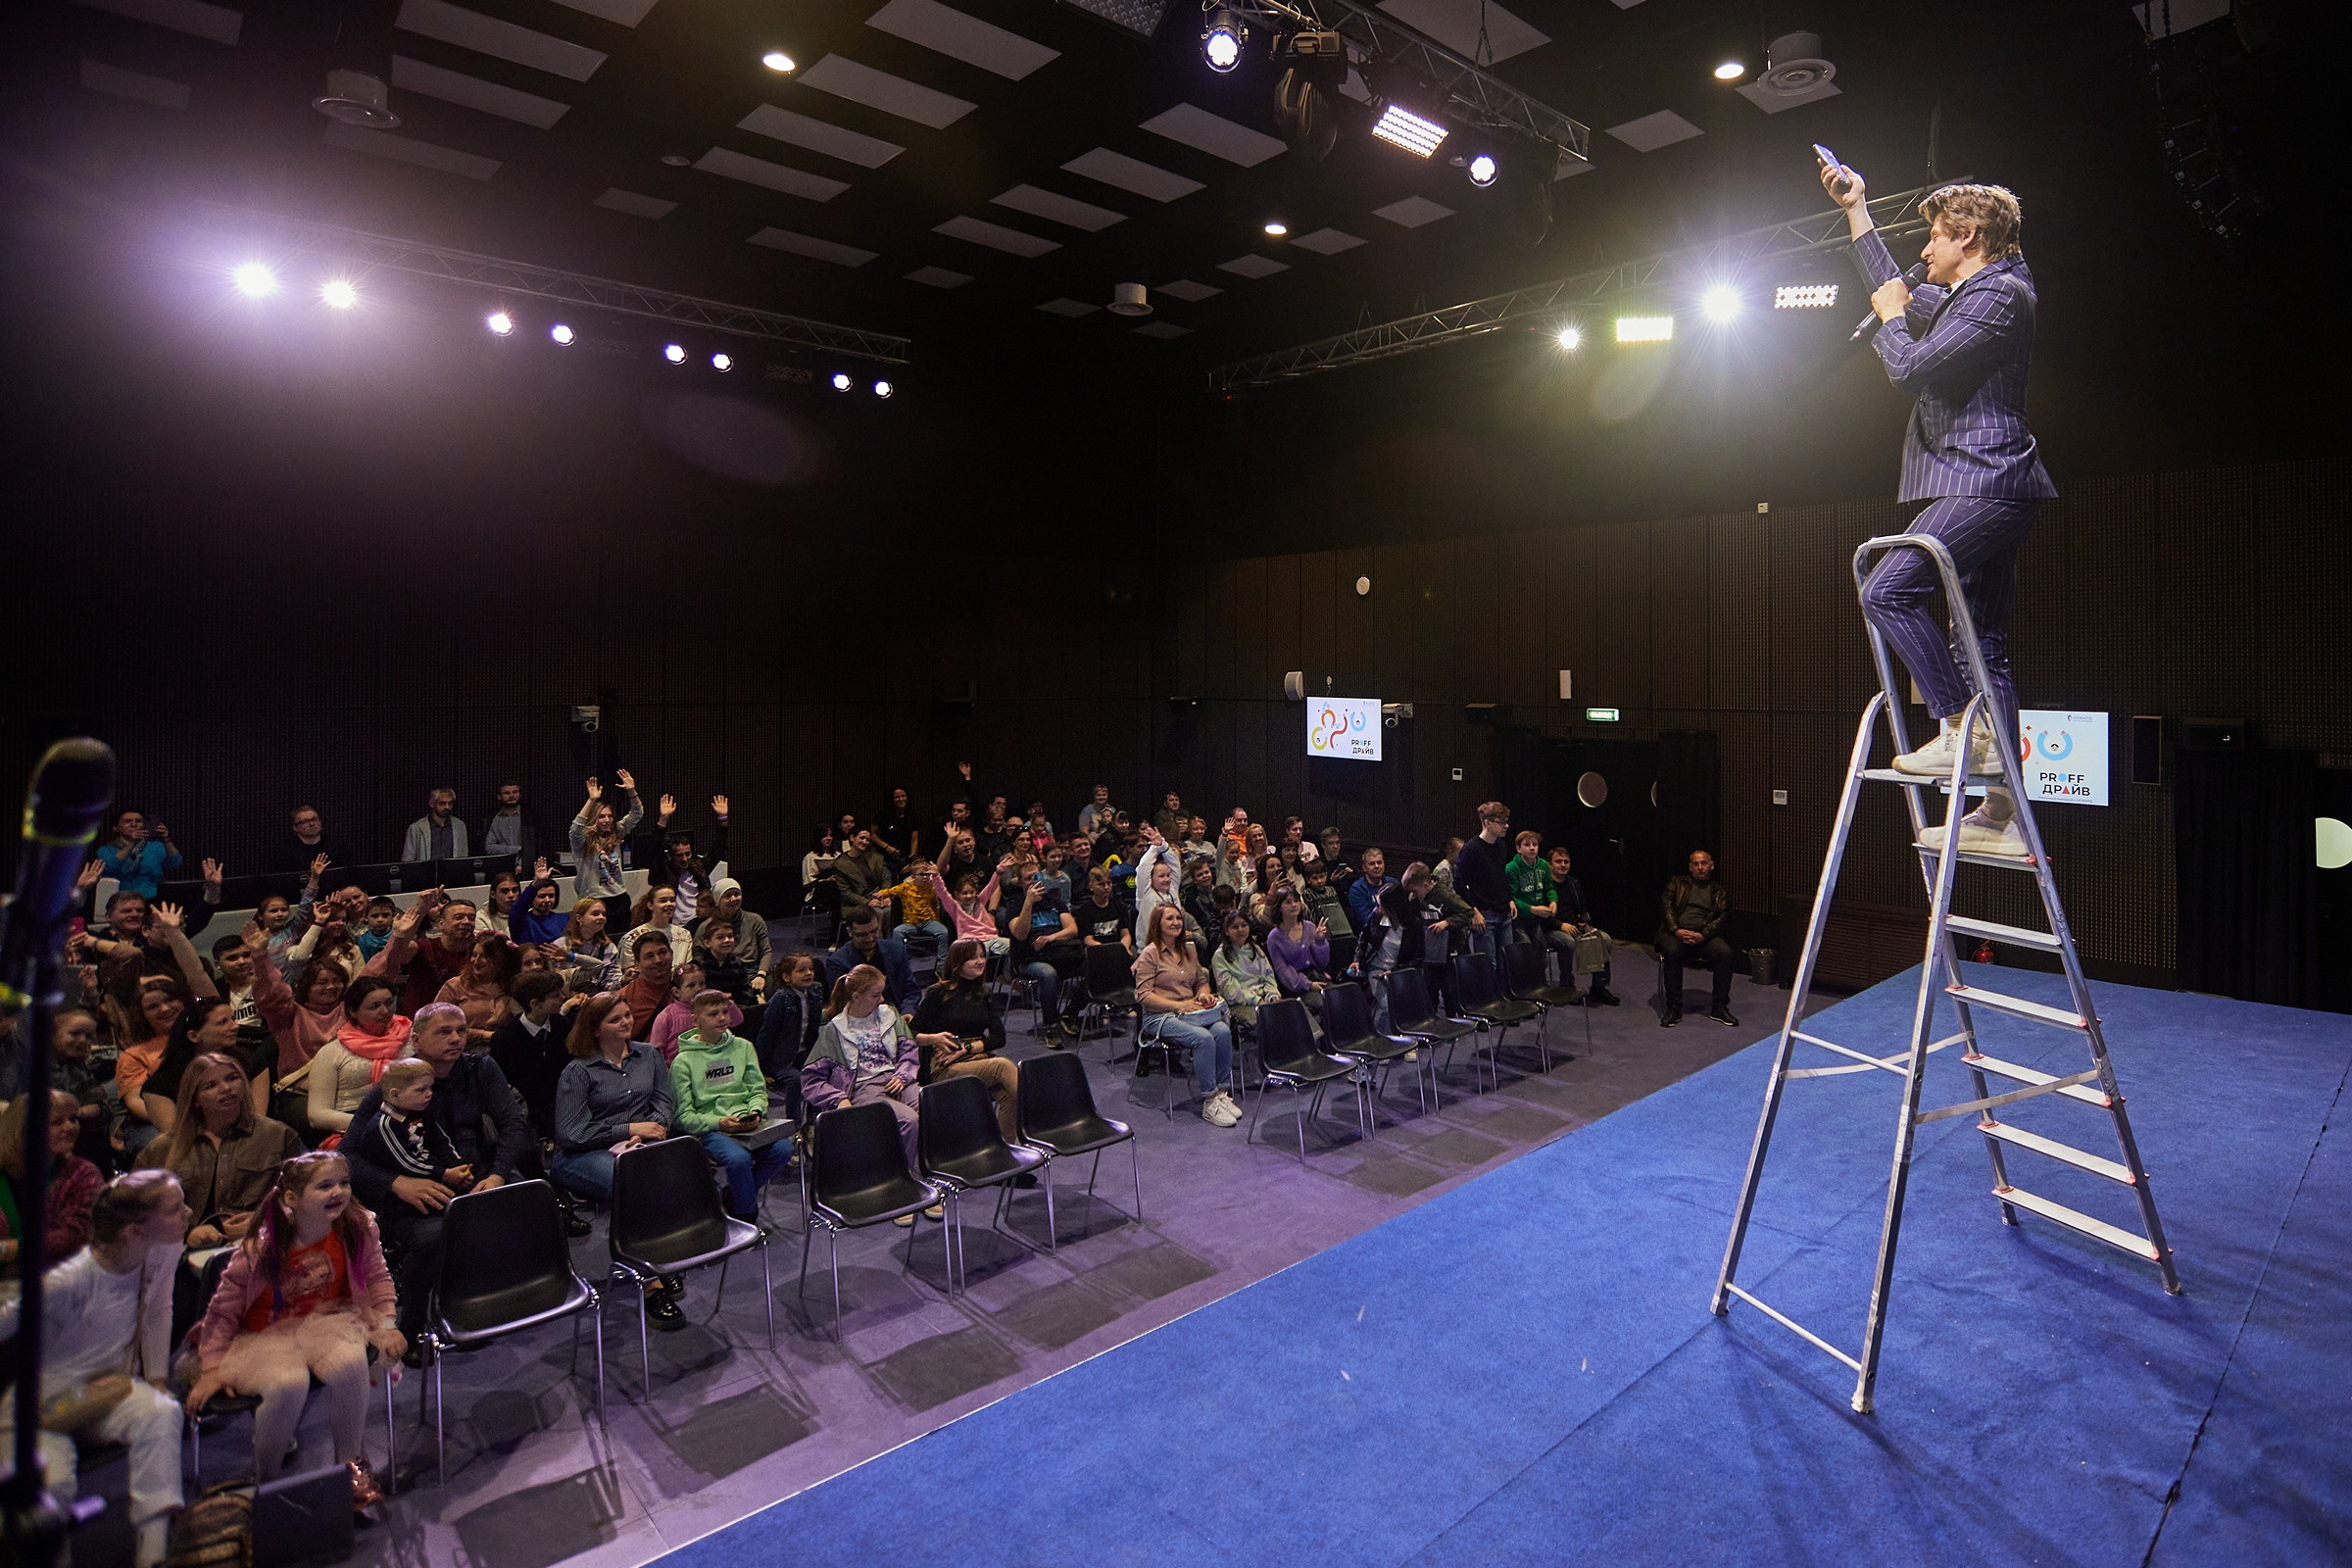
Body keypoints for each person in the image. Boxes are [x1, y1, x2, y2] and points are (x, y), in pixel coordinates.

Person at [1827, 162, 2055, 860]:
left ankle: (1958, 727)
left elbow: (1908, 366)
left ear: (1970, 234)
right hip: (1984, 483)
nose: (1924, 250)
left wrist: (1894, 318)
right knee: (1984, 647)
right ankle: (2002, 813)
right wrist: (1856, 208)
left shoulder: (2000, 297)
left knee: (1887, 587)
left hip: (1984, 482)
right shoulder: (1971, 296)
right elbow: (1894, 285)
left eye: (1933, 236)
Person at [187, 1152, 402, 1505]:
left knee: (351, 1364)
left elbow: (378, 1277)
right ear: (292, 1199)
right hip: (262, 1338)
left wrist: (388, 1323)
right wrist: (211, 1368)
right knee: (290, 1383)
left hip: (328, 1323)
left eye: (343, 1183)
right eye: (324, 1186)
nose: (338, 1192)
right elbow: (221, 1311)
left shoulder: (356, 1226)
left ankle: (350, 1464)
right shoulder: (263, 1246)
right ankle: (268, 1480)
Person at [0, 1170, 189, 1568]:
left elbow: (157, 1310)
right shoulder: (65, 1284)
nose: (188, 1213)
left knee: (162, 1413)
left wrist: (156, 1379)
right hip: (37, 1412)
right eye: (175, 1210)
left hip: (108, 1391)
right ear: (134, 1231)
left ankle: (153, 1555)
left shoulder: (163, 1249)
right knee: (53, 1485)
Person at [343, 1004, 533, 1344]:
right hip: (415, 1185)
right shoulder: (397, 1082)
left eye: (460, 1030)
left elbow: (513, 1124)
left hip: (474, 1172)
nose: (456, 1039)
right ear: (416, 1039)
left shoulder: (480, 1068)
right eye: (443, 1032)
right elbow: (347, 1155)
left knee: (522, 1196)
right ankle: (413, 1328)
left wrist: (500, 1173)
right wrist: (398, 1183)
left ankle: (494, 1295)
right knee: (435, 1235)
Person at [550, 995, 689, 1328]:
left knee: (676, 1175)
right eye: (615, 1020)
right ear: (596, 1030)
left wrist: (649, 1132)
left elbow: (663, 1104)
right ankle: (650, 1282)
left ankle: (654, 1258)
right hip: (581, 1155)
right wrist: (627, 1129)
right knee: (636, 1188)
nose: (626, 1023)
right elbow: (571, 1133)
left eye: (627, 1015)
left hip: (640, 1145)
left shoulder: (649, 1055)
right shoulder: (578, 1070)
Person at [802, 964, 931, 1218]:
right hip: (863, 1087)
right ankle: (898, 1186)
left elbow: (909, 1050)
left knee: (927, 1106)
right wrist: (838, 1099)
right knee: (907, 1120)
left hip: (897, 1079)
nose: (882, 999)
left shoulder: (889, 1015)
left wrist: (903, 1075)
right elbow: (810, 1078)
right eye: (875, 994)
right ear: (856, 996)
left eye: (882, 993)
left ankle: (918, 1177)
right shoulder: (835, 1031)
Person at [670, 991, 791, 1222]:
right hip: (712, 1129)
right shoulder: (683, 1062)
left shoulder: (743, 1047)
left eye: (725, 1012)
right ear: (695, 1021)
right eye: (713, 1014)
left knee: (783, 1150)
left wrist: (756, 1111)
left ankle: (735, 1195)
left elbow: (757, 1089)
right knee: (738, 1160)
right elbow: (683, 1116)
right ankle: (746, 1216)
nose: (722, 1018)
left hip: (747, 1122)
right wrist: (719, 1122)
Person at [910, 942, 1023, 1148]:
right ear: (957, 962)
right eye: (973, 958)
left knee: (1009, 1096)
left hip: (976, 1058)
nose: (980, 961)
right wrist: (932, 1039)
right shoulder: (939, 993)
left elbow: (999, 1037)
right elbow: (911, 1032)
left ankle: (1004, 1152)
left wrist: (969, 1048)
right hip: (945, 1065)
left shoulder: (983, 993)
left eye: (982, 956)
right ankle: (1041, 1113)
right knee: (1003, 1066)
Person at [1134, 904, 1238, 1124]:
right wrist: (1177, 1005)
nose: (1176, 923)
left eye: (1178, 918)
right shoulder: (1149, 954)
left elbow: (1200, 981)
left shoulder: (1189, 950)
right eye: (1169, 919)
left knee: (1222, 1030)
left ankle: (1221, 1093)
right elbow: (1143, 996)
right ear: (1158, 924)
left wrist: (1203, 995)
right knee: (1203, 1039)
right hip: (1159, 1016)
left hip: (1192, 1011)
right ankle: (1209, 1099)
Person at [0, 1090, 106, 1275]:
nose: (70, 1127)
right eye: (57, 1122)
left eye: (73, 1119)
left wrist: (11, 1249)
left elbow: (76, 1235)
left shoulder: (83, 1173)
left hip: (57, 1282)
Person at [308, 975, 413, 1136]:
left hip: (411, 1121)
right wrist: (377, 1124)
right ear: (353, 1011)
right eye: (374, 1006)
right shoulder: (332, 1052)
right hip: (353, 1129)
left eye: (389, 1003)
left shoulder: (411, 1039)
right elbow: (317, 1115)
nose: (385, 1011)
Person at [1656, 850, 1738, 1029]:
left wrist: (1704, 934)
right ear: (1690, 867)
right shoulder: (1677, 884)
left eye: (1704, 863)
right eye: (1696, 864)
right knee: (1672, 951)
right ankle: (1674, 1007)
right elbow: (1666, 908)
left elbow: (1722, 918)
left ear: (1711, 865)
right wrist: (1677, 930)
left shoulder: (1719, 892)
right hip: (1675, 934)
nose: (1700, 868)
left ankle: (1719, 1006)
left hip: (1703, 936)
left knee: (1725, 953)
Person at [490, 969, 574, 1138]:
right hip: (528, 1109)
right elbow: (501, 1081)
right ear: (535, 1004)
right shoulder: (506, 1036)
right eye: (555, 996)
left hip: (566, 1100)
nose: (562, 999)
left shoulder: (562, 1025)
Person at [1544, 846, 1618, 1005]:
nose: (1563, 865)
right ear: (1550, 864)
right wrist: (1561, 925)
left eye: (1566, 862)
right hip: (1551, 928)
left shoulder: (1573, 883)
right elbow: (1541, 917)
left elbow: (1583, 908)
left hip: (1574, 926)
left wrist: (1583, 919)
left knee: (1604, 939)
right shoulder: (1545, 885)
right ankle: (1567, 986)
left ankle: (1599, 987)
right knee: (1568, 942)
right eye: (1558, 862)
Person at [754, 952, 825, 1103]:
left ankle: (815, 1117)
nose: (808, 973)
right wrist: (762, 1068)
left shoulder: (815, 992)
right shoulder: (780, 999)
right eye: (801, 971)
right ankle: (795, 1121)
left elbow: (813, 1028)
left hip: (804, 1052)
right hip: (780, 1059)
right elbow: (766, 1035)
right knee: (796, 1080)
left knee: (821, 1072)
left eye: (811, 969)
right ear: (786, 977)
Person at [648, 794, 729, 922]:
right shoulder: (663, 872)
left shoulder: (699, 867)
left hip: (701, 920)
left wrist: (723, 820)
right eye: (679, 855)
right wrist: (663, 819)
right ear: (670, 856)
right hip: (675, 924)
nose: (685, 859)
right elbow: (655, 848)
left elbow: (718, 850)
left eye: (688, 854)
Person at [570, 772, 647, 906]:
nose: (607, 820)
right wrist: (591, 800)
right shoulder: (583, 840)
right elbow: (576, 829)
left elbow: (637, 813)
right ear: (594, 818)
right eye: (602, 817)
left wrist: (631, 791)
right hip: (592, 898)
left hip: (618, 896)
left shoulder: (616, 832)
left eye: (609, 816)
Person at [396, 894, 480, 1015]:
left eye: (471, 918)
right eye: (458, 917)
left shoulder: (477, 953)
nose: (466, 922)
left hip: (459, 1023)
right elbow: (399, 951)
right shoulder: (423, 947)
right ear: (441, 923)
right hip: (419, 1022)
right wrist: (421, 910)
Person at [435, 931, 519, 1049]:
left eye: (484, 956)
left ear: (499, 960)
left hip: (504, 1050)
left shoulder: (510, 986)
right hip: (463, 1050)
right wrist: (484, 1035)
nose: (476, 961)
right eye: (474, 955)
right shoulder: (456, 985)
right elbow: (438, 1024)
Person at [1453, 803, 1514, 966]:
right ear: (1487, 822)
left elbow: (1501, 876)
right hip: (1485, 914)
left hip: (1504, 911)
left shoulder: (1502, 845)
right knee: (1489, 964)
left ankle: (1505, 993)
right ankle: (1490, 993)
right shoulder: (1471, 849)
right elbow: (1458, 883)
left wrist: (1510, 899)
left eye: (1506, 821)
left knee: (1507, 962)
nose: (1506, 826)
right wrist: (1473, 912)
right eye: (1501, 822)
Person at [824, 906, 917, 1009]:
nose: (870, 938)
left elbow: (911, 990)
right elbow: (842, 1003)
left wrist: (908, 1011)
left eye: (874, 931)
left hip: (897, 1013)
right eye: (862, 935)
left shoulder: (896, 950)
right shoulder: (838, 962)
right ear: (850, 932)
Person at [95, 808, 181, 899]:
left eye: (138, 821)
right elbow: (111, 866)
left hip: (153, 898)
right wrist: (133, 843)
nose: (134, 824)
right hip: (120, 899)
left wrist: (166, 839)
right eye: (128, 821)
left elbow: (175, 862)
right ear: (116, 828)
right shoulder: (105, 850)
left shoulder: (156, 846)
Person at [1265, 888, 1332, 1007]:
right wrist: (1308, 985)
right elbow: (1283, 971)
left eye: (1296, 901)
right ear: (1279, 907)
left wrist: (1320, 941)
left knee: (1340, 999)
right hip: (1296, 986)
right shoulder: (1274, 937)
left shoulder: (1310, 927)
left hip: (1318, 976)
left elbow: (1322, 963)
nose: (1294, 905)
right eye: (1288, 902)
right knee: (1322, 1004)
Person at [1210, 913, 1280, 1027]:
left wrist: (1272, 995)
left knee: (1293, 1011)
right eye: (1235, 927)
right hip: (1239, 1003)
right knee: (1268, 1021)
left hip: (1264, 998)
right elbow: (1230, 991)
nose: (1240, 930)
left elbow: (1268, 976)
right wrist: (1256, 1000)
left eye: (1244, 925)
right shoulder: (1220, 956)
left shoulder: (1256, 949)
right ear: (1227, 931)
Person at [874, 858, 952, 952]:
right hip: (910, 923)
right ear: (913, 876)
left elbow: (936, 905)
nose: (925, 877)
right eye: (921, 874)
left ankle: (942, 962)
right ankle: (900, 957)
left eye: (927, 875)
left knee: (943, 932)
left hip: (928, 922)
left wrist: (937, 920)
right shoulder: (905, 887)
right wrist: (881, 894)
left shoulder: (932, 888)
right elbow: (890, 891)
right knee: (897, 932)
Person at [700, 877, 771, 979]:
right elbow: (698, 955)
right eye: (728, 896)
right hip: (718, 976)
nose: (733, 899)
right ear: (718, 900)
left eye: (737, 894)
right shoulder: (706, 926)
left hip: (752, 975)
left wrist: (761, 975)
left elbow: (766, 951)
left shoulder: (755, 920)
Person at [559, 897, 622, 992]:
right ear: (579, 918)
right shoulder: (560, 946)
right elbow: (558, 982)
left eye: (604, 914)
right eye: (595, 914)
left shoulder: (608, 947)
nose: (601, 917)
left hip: (598, 998)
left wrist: (623, 980)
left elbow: (609, 984)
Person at [623, 884, 693, 971]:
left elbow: (688, 969)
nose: (669, 904)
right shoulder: (632, 937)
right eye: (663, 901)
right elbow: (631, 973)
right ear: (650, 905)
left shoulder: (685, 934)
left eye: (672, 900)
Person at [1505, 829, 1555, 948]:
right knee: (1525, 948)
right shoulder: (1512, 868)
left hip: (1536, 919)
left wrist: (1553, 901)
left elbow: (1549, 888)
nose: (1532, 848)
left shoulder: (1543, 865)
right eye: (1527, 845)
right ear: (1519, 848)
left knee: (1540, 949)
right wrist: (1532, 909)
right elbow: (1511, 896)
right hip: (1519, 919)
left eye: (1535, 844)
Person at [480, 780, 548, 868]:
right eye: (507, 793)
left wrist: (521, 865)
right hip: (501, 869)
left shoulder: (531, 818)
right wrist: (517, 849)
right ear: (499, 796)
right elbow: (489, 848)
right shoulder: (493, 819)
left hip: (527, 869)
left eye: (515, 792)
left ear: (520, 795)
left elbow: (537, 847)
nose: (511, 796)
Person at [274, 805, 353, 876]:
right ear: (295, 828)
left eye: (315, 819)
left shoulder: (335, 845)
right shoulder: (285, 850)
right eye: (305, 821)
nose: (312, 824)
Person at [402, 787, 469, 863]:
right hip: (426, 874)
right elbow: (407, 859)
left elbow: (463, 857)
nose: (447, 807)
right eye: (442, 803)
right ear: (432, 804)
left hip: (452, 874)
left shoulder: (459, 826)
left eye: (450, 803)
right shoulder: (416, 828)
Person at [831, 828, 892, 911]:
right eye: (862, 838)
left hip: (878, 896)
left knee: (890, 910)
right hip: (857, 903)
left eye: (868, 840)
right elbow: (845, 892)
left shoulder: (875, 857)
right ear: (852, 838)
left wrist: (885, 894)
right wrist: (867, 902)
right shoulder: (840, 864)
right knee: (877, 913)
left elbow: (885, 878)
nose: (865, 842)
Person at [1346, 846, 1396, 929]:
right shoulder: (1357, 890)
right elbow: (1366, 920)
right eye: (1372, 864)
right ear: (1364, 867)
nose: (1377, 866)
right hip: (1371, 934)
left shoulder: (1393, 884)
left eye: (1379, 862)